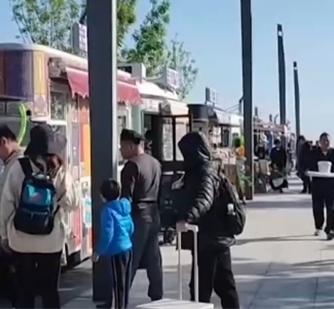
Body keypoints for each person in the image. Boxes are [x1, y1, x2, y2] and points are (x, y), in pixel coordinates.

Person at [0, 124, 80, 309]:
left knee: (24, 291)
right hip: (51, 241)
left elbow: (7, 203)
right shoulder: (59, 169)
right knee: (50, 291)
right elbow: (73, 202)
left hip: (20, 239)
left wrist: (4, 236)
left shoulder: (19, 167)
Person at [175, 132, 241, 308]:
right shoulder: (209, 169)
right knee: (224, 286)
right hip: (216, 237)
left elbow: (205, 198)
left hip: (210, 237)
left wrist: (188, 217)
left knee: (200, 289)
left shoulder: (205, 172)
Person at [117, 129, 164, 305]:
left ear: (131, 146)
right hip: (154, 214)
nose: (121, 150)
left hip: (138, 216)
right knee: (153, 257)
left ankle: (121, 296)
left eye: (122, 146)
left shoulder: (131, 166)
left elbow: (126, 198)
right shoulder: (155, 163)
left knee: (130, 258)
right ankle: (157, 294)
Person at [93, 179, 135, 309]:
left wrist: (98, 251)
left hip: (116, 251)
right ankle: (123, 306)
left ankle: (118, 307)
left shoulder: (107, 210)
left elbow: (107, 234)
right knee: (125, 283)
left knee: (118, 284)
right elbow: (131, 227)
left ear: (103, 195)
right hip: (128, 248)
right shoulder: (125, 207)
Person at [309, 133, 334, 240]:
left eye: (327, 141)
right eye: (323, 140)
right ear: (319, 142)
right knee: (317, 207)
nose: (326, 143)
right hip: (317, 184)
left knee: (331, 208)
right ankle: (319, 226)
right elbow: (306, 165)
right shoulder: (313, 153)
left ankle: (330, 229)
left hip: (331, 184)